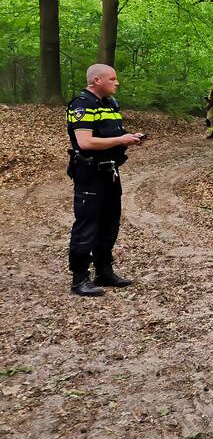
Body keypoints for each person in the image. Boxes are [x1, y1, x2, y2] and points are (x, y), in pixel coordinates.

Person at [66, 64, 146, 296]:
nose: (117, 82)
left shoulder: (111, 103)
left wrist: (128, 139)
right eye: (112, 79)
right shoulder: (81, 104)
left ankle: (104, 271)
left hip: (111, 172)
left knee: (110, 223)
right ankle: (80, 278)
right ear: (96, 81)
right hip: (90, 174)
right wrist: (122, 139)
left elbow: (109, 135)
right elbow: (85, 142)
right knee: (87, 224)